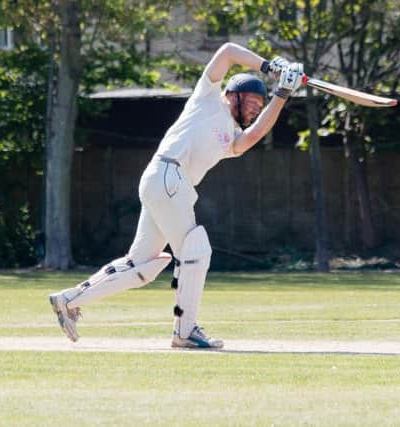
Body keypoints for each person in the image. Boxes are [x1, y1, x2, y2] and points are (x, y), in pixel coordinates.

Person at [49, 43, 304, 349]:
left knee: (141, 266)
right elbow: (226, 52)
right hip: (168, 176)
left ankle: (68, 300)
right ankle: (185, 330)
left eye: (258, 104)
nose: (254, 108)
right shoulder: (207, 98)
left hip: (167, 185)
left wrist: (281, 95)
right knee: (197, 248)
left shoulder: (231, 138)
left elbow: (253, 137)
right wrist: (269, 67)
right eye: (251, 100)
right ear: (233, 93)